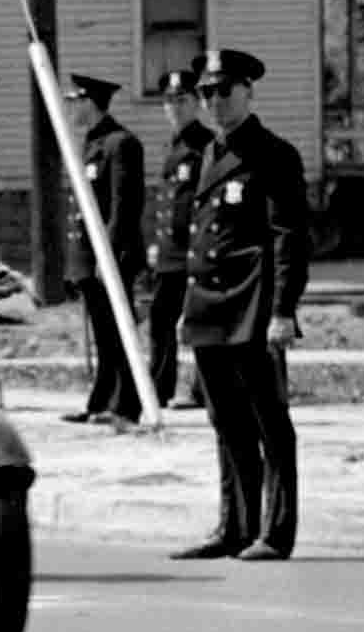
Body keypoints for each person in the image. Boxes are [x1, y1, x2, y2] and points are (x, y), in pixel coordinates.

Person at [172, 47, 309, 562]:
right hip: (209, 305)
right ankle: (235, 526)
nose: (214, 102)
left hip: (252, 305)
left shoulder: (273, 155)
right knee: (225, 419)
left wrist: (283, 309)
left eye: (224, 91)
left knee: (268, 420)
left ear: (248, 91)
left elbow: (287, 237)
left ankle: (274, 532)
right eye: (205, 92)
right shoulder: (209, 152)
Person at [63, 72, 150, 427]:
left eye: (75, 102)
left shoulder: (120, 144)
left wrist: (107, 257)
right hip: (88, 256)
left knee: (118, 333)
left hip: (109, 258)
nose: (71, 110)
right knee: (103, 334)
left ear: (90, 103)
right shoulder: (92, 143)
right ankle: (102, 401)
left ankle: (126, 406)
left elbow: (123, 207)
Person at [146, 67, 211, 410]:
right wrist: (158, 243)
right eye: (169, 101)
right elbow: (170, 201)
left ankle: (202, 390)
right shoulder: (173, 147)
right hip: (170, 252)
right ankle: (158, 388)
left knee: (199, 321)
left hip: (195, 250)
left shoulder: (206, 146)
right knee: (160, 319)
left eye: (182, 100)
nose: (175, 107)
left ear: (197, 103)